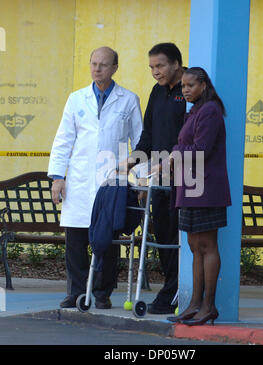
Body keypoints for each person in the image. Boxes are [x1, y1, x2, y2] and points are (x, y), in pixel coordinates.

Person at [48, 46, 142, 309]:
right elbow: (63, 139)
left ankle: (102, 293)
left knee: (108, 240)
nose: (97, 69)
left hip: (112, 181)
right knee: (76, 240)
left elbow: (141, 140)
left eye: (103, 64)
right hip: (79, 180)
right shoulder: (76, 99)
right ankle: (76, 292)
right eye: (93, 64)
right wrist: (58, 176)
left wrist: (143, 179)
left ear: (115, 68)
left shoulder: (128, 99)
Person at [166, 67, 231, 325]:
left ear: (203, 85)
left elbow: (201, 149)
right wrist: (177, 151)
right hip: (190, 185)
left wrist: (174, 152)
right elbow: (188, 146)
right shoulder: (195, 111)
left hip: (206, 187)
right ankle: (194, 304)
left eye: (190, 85)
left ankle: (209, 306)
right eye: (183, 86)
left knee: (207, 246)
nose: (185, 90)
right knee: (195, 248)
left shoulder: (210, 110)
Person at [125, 43, 186, 314]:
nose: (155, 72)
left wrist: (174, 163)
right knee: (161, 232)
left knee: (179, 235)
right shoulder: (156, 91)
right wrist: (132, 162)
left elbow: (193, 136)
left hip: (186, 175)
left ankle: (177, 291)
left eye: (160, 66)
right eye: (151, 67)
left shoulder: (190, 89)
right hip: (158, 176)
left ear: (176, 63)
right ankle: (170, 288)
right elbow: (148, 134)